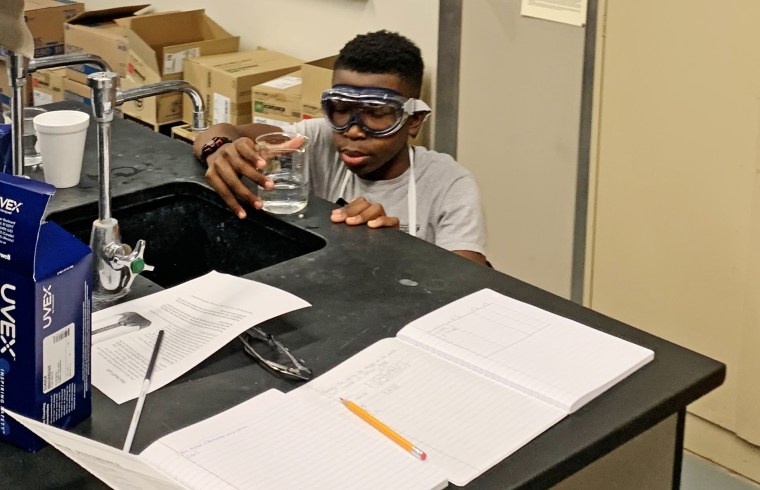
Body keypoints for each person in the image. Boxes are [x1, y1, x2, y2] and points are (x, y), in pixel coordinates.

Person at [193, 30, 488, 266]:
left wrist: (397, 254)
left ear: (413, 121)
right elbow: (220, 132)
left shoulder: (448, 183)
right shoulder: (316, 141)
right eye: (341, 109)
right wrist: (219, 148)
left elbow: (470, 283)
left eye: (376, 113)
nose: (354, 129)